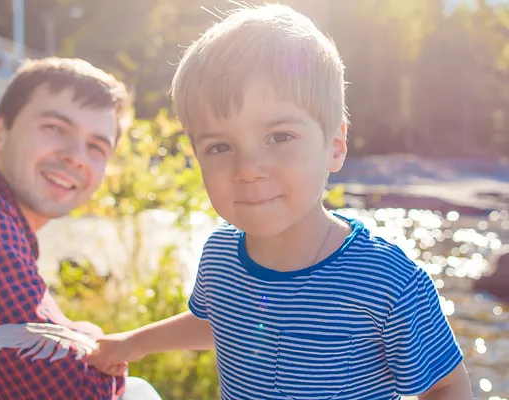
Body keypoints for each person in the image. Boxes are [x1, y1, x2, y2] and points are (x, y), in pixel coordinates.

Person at [88, 3, 473, 399]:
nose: (249, 168)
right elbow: (216, 322)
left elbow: (448, 384)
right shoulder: (220, 254)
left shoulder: (386, 280)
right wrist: (128, 344)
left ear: (335, 146)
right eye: (220, 146)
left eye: (279, 137)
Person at [0, 57, 161, 400]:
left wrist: (73, 335)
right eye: (55, 128)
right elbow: (74, 393)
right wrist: (85, 333)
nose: (76, 156)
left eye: (96, 147)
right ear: (0, 133)